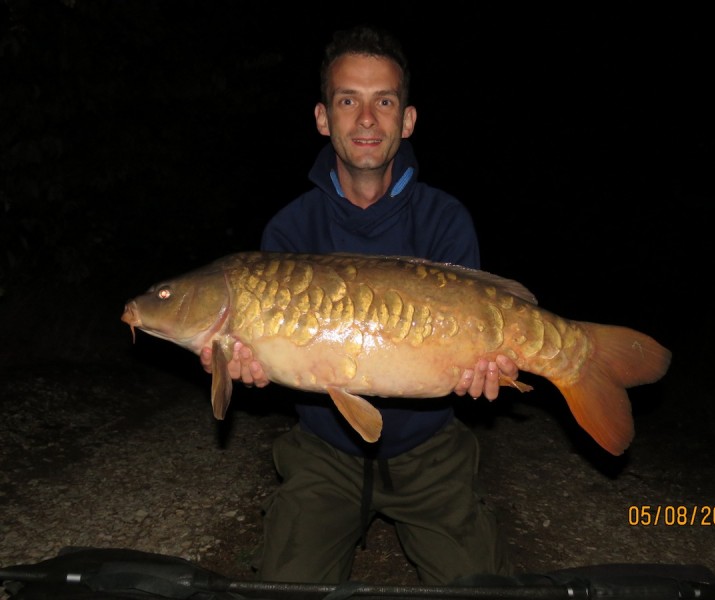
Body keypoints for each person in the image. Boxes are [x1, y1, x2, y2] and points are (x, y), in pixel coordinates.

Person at [200, 25, 519, 585]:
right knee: (284, 588)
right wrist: (241, 366)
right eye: (348, 100)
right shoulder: (289, 228)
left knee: (479, 588)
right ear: (323, 118)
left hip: (430, 451)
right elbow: (271, 358)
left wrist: (483, 372)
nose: (366, 119)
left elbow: (470, 356)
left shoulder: (446, 221)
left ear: (408, 119)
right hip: (324, 453)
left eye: (384, 101)